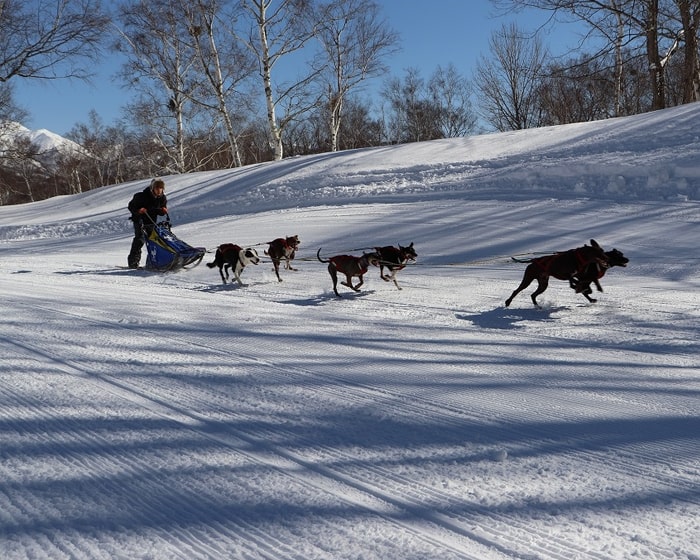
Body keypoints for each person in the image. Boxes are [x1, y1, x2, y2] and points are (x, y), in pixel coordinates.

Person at [127, 178, 168, 268]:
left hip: (151, 221)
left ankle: (154, 261)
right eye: (157, 188)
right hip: (139, 220)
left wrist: (163, 210)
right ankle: (133, 262)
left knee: (155, 241)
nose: (159, 190)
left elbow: (160, 210)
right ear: (152, 188)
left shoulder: (162, 198)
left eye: (161, 188)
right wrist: (139, 210)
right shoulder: (141, 196)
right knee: (140, 239)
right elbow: (131, 206)